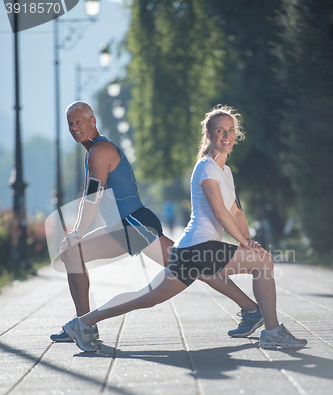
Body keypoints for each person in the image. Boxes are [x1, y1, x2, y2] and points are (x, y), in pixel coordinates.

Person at [62, 104, 307, 352]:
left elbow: (236, 212)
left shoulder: (226, 172)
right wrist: (246, 245)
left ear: (236, 135)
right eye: (220, 131)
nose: (226, 136)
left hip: (189, 250)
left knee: (145, 297)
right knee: (263, 264)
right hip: (200, 247)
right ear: (208, 135)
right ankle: (272, 331)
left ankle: (83, 322)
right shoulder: (206, 167)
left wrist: (249, 241)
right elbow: (221, 214)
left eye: (230, 131)